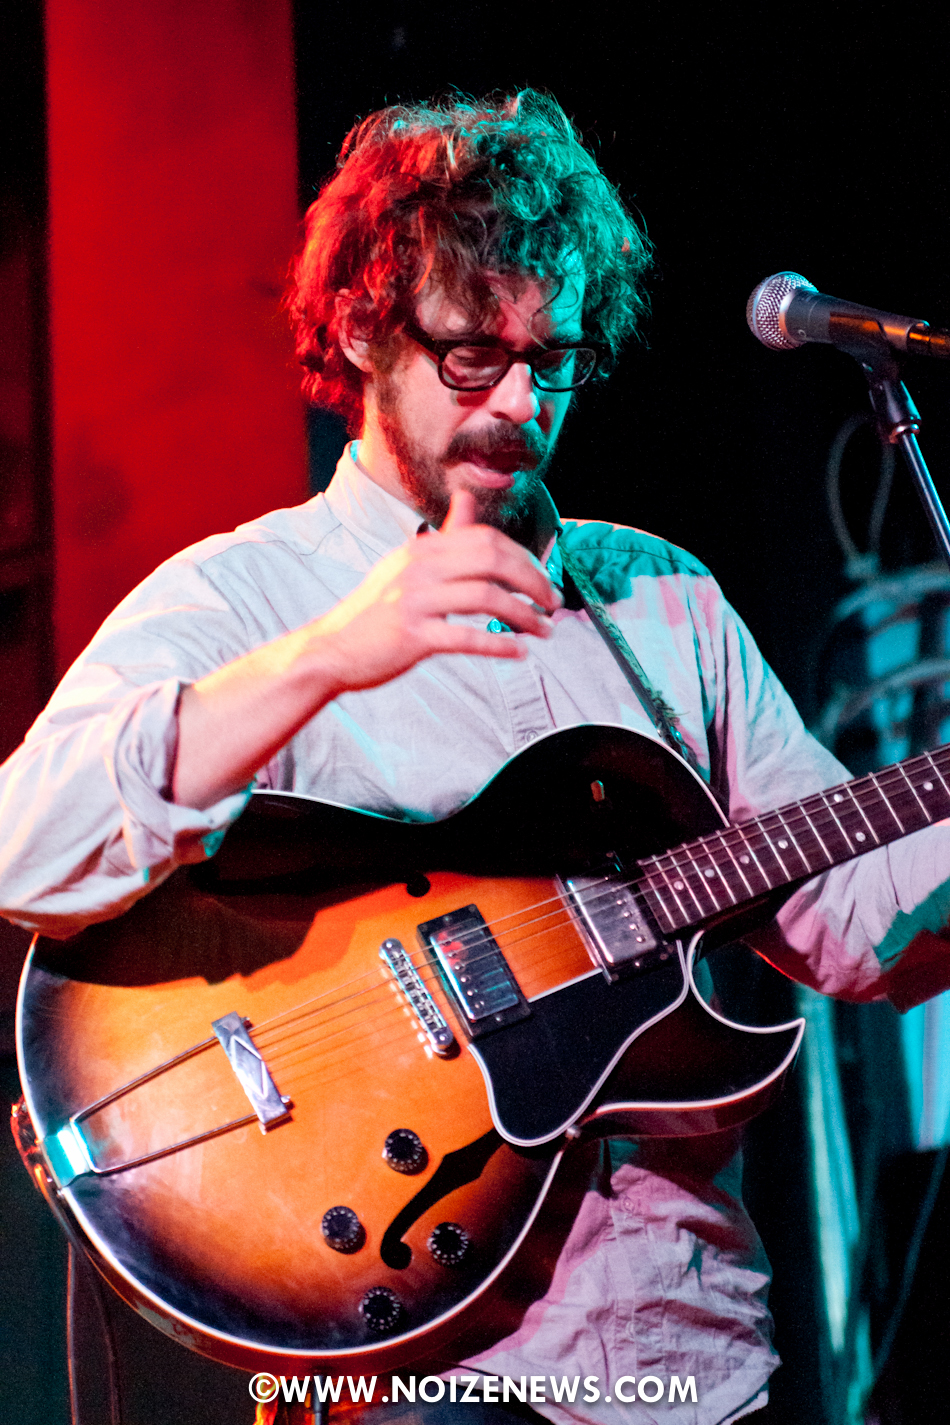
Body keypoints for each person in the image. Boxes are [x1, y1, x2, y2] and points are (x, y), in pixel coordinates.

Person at [2, 90, 949, 1425]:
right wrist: (329, 656)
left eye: (552, 359)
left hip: (690, 1359)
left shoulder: (663, 601)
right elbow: (23, 849)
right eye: (469, 356)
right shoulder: (247, 596)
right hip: (417, 1367)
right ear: (359, 328)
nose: (518, 402)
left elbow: (853, 926)